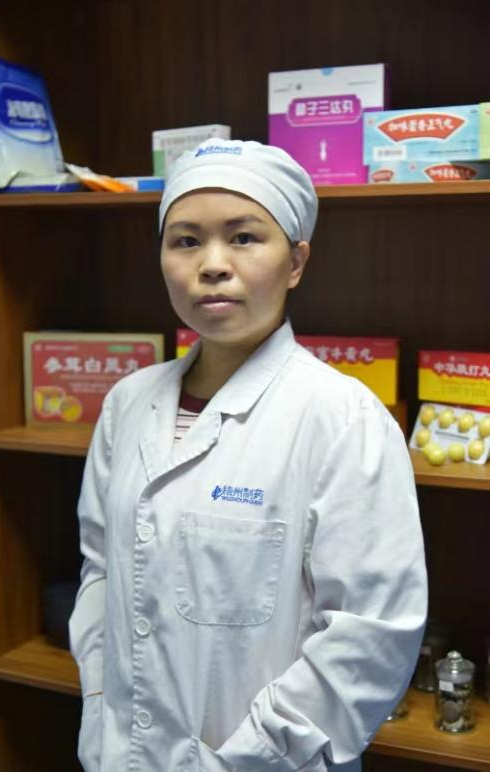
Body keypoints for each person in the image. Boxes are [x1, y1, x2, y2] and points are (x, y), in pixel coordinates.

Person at [69, 138, 427, 772]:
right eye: (185, 240)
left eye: (243, 237)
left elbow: (369, 636)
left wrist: (243, 761)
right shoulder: (128, 403)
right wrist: (100, 698)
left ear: (296, 262)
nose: (212, 264)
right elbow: (101, 569)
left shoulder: (343, 418)